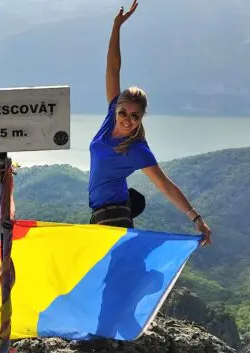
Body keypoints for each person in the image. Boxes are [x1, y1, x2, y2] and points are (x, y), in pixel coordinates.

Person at [88, 0, 211, 246]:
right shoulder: (110, 117)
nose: (127, 120)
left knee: (113, 279)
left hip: (115, 217)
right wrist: (116, 26)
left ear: (141, 117)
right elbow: (112, 69)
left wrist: (196, 218)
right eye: (124, 112)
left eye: (135, 116)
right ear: (117, 107)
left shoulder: (136, 148)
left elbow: (166, 186)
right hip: (101, 214)